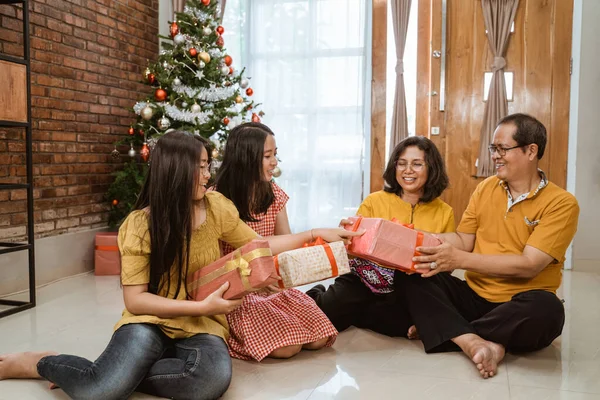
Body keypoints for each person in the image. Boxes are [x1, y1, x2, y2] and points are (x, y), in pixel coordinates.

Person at [0, 131, 362, 400]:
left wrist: (315, 233)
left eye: (208, 166)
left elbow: (258, 244)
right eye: (201, 167)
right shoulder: (140, 225)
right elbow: (136, 301)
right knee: (101, 392)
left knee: (209, 383)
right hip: (151, 320)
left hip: (203, 323)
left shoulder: (217, 207)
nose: (208, 175)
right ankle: (41, 361)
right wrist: (200, 305)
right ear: (177, 169)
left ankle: (121, 373)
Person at [403, 113, 579, 379]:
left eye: (502, 149)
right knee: (417, 276)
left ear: (531, 151)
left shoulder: (561, 203)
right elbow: (464, 240)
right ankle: (478, 341)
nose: (495, 155)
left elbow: (528, 265)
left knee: (549, 311)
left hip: (520, 302)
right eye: (493, 148)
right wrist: (416, 235)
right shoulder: (486, 188)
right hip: (474, 295)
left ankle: (450, 330)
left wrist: (459, 260)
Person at [213, 122, 338, 361]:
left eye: (275, 154)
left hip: (270, 284)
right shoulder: (218, 199)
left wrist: (278, 278)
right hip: (238, 291)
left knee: (319, 338)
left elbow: (285, 243)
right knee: (287, 348)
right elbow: (225, 259)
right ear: (246, 158)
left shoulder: (273, 192)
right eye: (267, 156)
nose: (274, 162)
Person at [308, 136, 454, 338]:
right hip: (363, 277)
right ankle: (318, 293)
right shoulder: (375, 200)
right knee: (324, 320)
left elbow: (446, 264)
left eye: (417, 164)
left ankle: (360, 313)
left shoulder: (444, 211)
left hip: (409, 285)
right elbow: (351, 248)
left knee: (406, 326)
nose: (407, 170)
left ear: (432, 168)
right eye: (401, 164)